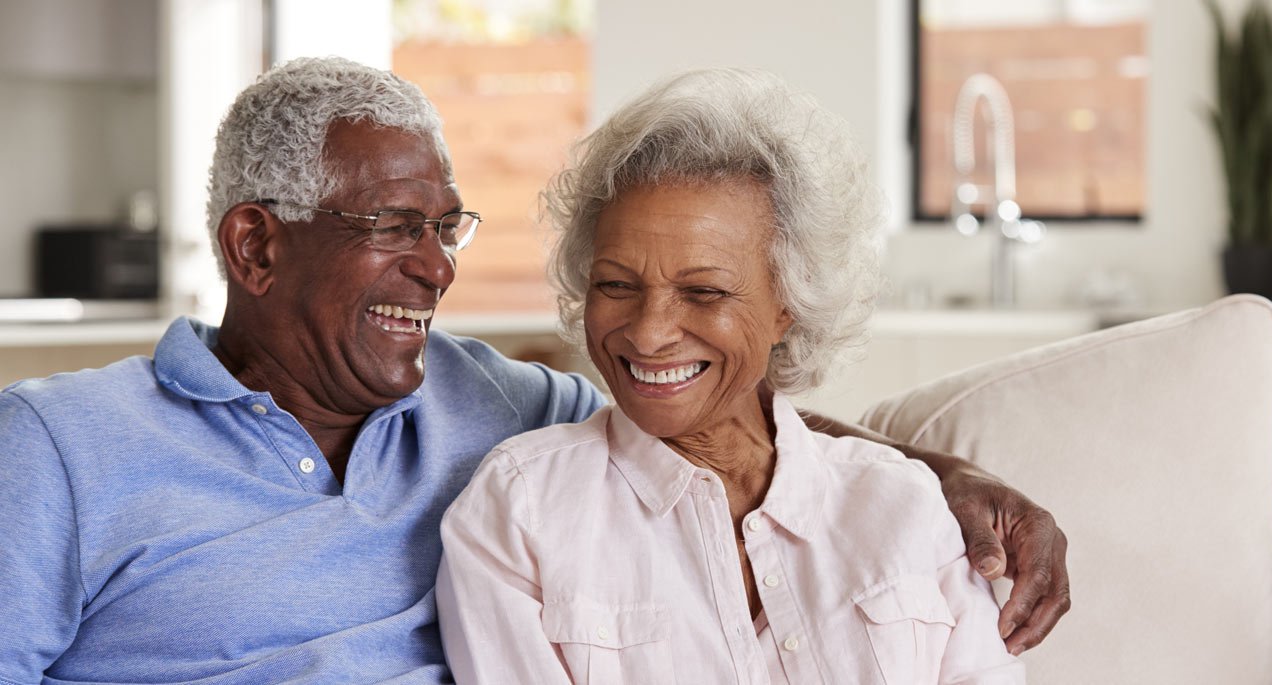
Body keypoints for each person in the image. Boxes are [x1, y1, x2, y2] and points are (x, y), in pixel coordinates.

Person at [0, 57, 1066, 683]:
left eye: (445, 226)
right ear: (256, 245)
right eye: (394, 226)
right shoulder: (56, 448)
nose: (436, 267)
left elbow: (705, 414)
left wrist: (944, 476)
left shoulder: (493, 402)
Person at [435, 68, 1028, 684]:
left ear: (787, 305)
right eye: (616, 285)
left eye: (704, 292)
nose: (649, 333)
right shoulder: (522, 509)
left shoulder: (903, 504)